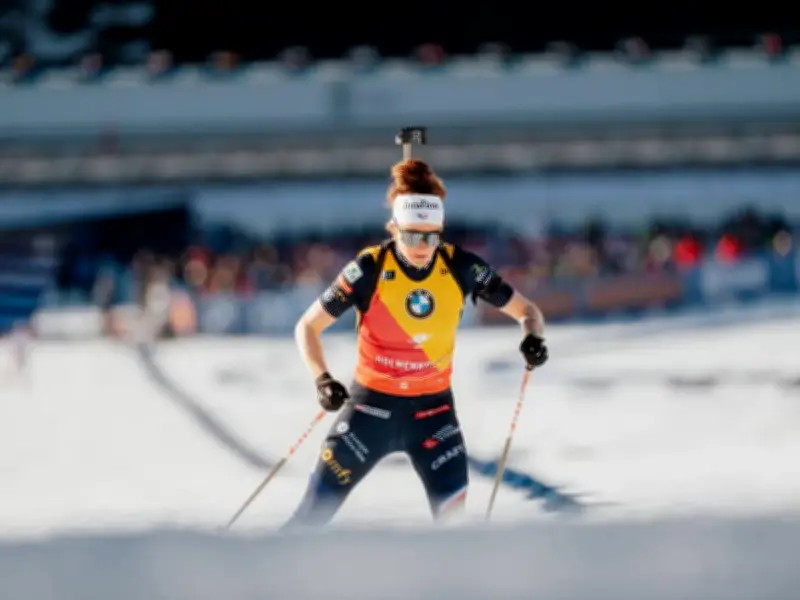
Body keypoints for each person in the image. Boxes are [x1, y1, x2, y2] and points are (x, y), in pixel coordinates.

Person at [285, 158, 549, 528]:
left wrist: (532, 337)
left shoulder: (461, 267)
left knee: (454, 528)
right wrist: (322, 380)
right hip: (369, 412)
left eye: (431, 236)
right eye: (412, 236)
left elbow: (528, 311)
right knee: (308, 521)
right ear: (393, 228)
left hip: (433, 416)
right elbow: (307, 327)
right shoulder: (369, 268)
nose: (422, 246)